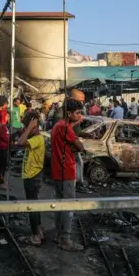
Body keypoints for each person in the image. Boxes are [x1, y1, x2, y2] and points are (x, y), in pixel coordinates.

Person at [51, 99, 85, 251]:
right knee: (68, 205)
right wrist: (76, 142)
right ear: (69, 113)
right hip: (66, 170)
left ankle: (59, 235)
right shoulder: (66, 128)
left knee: (59, 203)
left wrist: (74, 126)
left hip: (58, 170)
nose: (79, 116)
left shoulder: (59, 126)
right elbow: (81, 147)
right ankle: (65, 239)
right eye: (77, 113)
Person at [16, 112, 45, 246]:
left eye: (28, 126)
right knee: (34, 205)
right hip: (31, 175)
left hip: (33, 176)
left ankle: (35, 236)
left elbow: (20, 142)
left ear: (35, 126)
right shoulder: (35, 137)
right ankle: (38, 231)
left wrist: (29, 128)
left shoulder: (38, 139)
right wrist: (27, 128)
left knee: (32, 207)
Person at [0, 99, 10, 189]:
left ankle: (2, 179)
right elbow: (4, 137)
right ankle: (1, 181)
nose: (8, 118)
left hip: (3, 145)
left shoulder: (2, 125)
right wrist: (10, 140)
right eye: (7, 116)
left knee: (3, 164)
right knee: (2, 164)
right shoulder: (1, 125)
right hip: (2, 146)